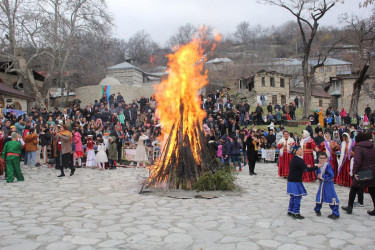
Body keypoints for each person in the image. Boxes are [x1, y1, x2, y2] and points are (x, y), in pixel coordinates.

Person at [342, 132, 375, 216]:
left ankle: (350, 207)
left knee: (353, 188)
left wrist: (354, 172)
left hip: (362, 172)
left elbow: (357, 161)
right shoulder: (372, 146)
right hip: (372, 171)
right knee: (372, 190)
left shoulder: (358, 148)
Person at [287, 144, 320, 219]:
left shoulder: (293, 159)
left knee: (293, 196)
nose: (302, 150)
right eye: (300, 149)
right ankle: (296, 212)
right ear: (296, 152)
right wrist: (317, 167)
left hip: (291, 180)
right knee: (298, 196)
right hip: (296, 181)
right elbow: (307, 170)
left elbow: (302, 168)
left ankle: (290, 210)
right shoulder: (299, 160)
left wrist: (305, 167)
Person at [314, 152, 340, 219]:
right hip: (322, 183)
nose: (322, 160)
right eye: (320, 158)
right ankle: (317, 209)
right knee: (319, 197)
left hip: (328, 184)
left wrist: (322, 176)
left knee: (331, 196)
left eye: (323, 158)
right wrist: (318, 176)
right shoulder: (319, 165)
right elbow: (317, 173)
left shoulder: (328, 165)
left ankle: (335, 212)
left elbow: (331, 175)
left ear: (326, 159)